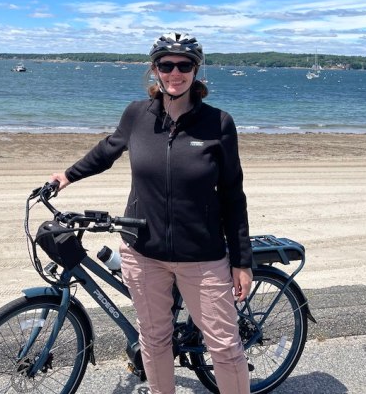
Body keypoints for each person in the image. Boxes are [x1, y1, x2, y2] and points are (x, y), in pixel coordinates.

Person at [50, 32, 253, 394]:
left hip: (202, 256)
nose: (175, 73)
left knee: (224, 347)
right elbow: (107, 151)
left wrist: (242, 260)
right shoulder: (136, 115)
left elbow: (233, 195)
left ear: (196, 71)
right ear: (155, 69)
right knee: (155, 340)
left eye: (184, 65)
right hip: (142, 252)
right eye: (166, 64)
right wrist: (67, 176)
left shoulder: (219, 123)